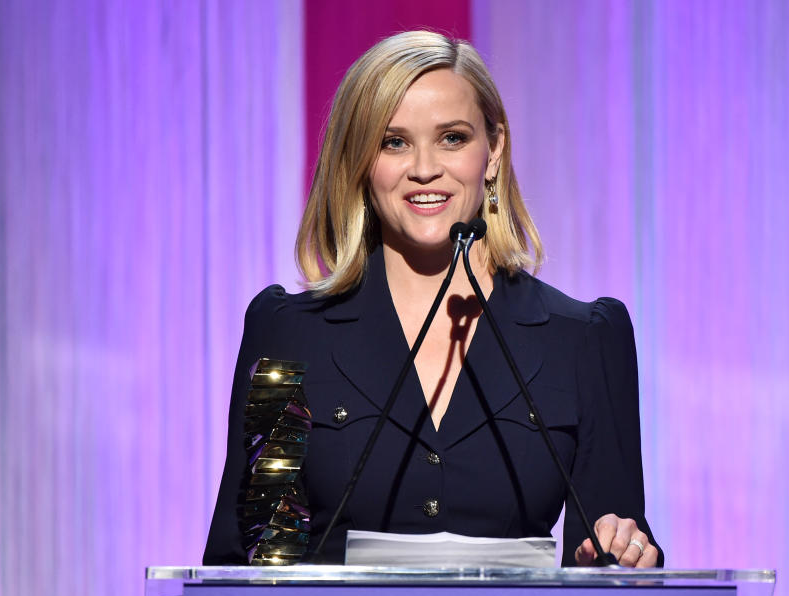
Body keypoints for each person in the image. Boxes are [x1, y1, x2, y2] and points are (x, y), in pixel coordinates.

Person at [204, 30, 662, 568]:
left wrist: (623, 556)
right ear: (360, 161)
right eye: (393, 141)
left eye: (452, 138)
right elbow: (250, 564)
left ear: (493, 152)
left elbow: (613, 555)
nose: (424, 168)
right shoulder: (289, 332)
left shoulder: (583, 338)